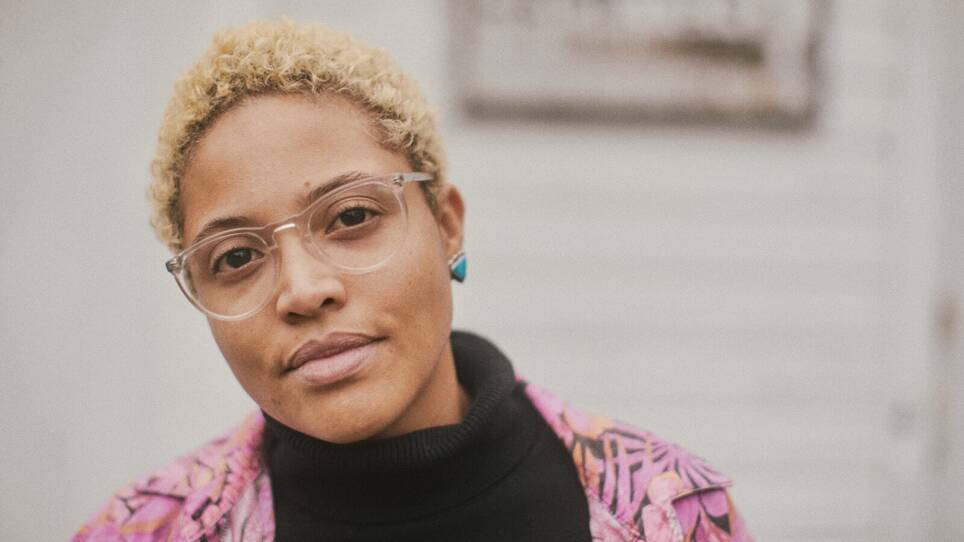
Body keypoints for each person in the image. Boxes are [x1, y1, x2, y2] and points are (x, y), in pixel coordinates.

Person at [73, 19, 751, 542]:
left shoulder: (665, 510)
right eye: (236, 258)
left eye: (352, 215)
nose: (304, 290)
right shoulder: (146, 528)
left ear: (446, 226)